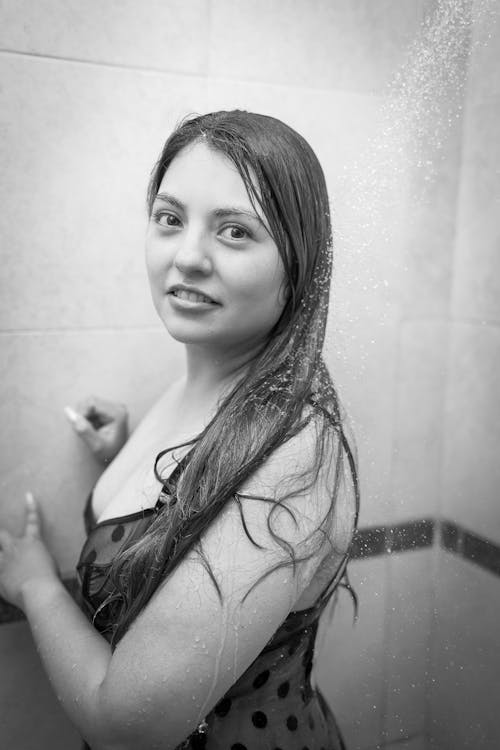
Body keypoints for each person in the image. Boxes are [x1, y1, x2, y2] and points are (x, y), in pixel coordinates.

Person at [0, 111, 359, 750]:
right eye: (170, 219)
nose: (187, 256)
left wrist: (32, 583)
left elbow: (125, 724)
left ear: (298, 262)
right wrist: (126, 455)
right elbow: (194, 505)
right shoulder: (211, 373)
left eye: (235, 231)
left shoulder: (298, 452)